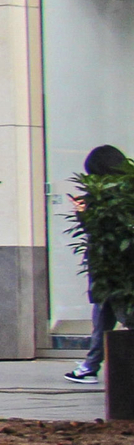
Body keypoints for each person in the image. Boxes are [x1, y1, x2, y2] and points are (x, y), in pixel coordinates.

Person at [67, 144, 129, 382]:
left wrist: (83, 213)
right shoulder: (126, 193)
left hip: (109, 267)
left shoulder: (102, 197)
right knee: (104, 314)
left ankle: (90, 366)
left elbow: (97, 231)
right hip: (118, 267)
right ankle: (89, 365)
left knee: (109, 313)